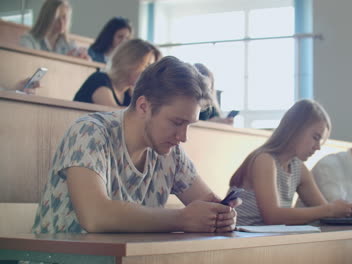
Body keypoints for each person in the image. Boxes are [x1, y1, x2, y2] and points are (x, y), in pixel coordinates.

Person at [32, 56, 240, 234]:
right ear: (143, 106)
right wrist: (182, 218)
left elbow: (206, 202)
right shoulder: (90, 132)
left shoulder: (171, 152)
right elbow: (94, 216)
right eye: (177, 122)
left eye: (188, 124)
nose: (183, 137)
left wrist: (221, 215)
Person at [228, 99, 352, 226]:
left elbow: (325, 212)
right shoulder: (264, 160)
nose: (318, 147)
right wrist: (329, 210)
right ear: (296, 129)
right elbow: (272, 217)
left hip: (267, 242)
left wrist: (347, 210)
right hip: (240, 239)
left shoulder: (298, 168)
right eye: (315, 137)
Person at [73, 39, 162, 107]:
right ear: (129, 62)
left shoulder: (129, 93)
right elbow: (116, 118)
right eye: (146, 66)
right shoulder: (99, 79)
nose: (150, 73)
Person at [19, 0, 88, 60]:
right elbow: (28, 65)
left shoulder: (69, 44)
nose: (61, 22)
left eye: (64, 17)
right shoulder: (29, 40)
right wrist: (65, 61)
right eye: (57, 18)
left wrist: (85, 60)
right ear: (46, 18)